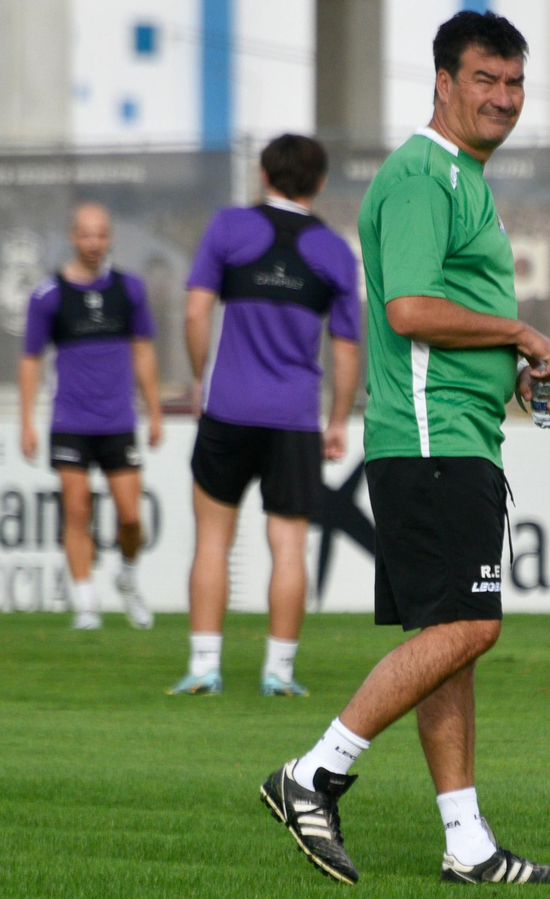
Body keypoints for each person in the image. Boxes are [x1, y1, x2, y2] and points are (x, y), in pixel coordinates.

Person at [258, 12, 550, 885]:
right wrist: (520, 330)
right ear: (443, 82)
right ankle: (314, 771)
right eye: (485, 80)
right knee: (473, 624)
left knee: (451, 638)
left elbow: (441, 319)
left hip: (456, 430)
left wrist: (514, 366)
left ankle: (465, 842)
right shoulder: (420, 176)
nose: (503, 99)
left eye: (513, 84)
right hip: (428, 437)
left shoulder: (464, 179)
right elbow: (408, 310)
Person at [170, 134, 361, 696]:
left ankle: (205, 664)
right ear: (321, 183)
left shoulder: (228, 228)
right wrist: (339, 419)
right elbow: (347, 347)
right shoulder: (332, 250)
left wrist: (202, 377)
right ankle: (278, 671)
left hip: (227, 410)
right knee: (288, 544)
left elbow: (195, 311)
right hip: (295, 418)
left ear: (262, 173)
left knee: (211, 540)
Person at [18, 203, 163, 630]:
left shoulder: (130, 289)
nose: (94, 243)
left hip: (118, 421)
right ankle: (85, 603)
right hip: (71, 422)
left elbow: (143, 350)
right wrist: (25, 420)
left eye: (101, 234)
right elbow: (30, 359)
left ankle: (128, 578)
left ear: (110, 237)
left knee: (131, 517)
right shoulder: (49, 295)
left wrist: (153, 411)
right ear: (72, 236)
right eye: (86, 234)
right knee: (77, 511)